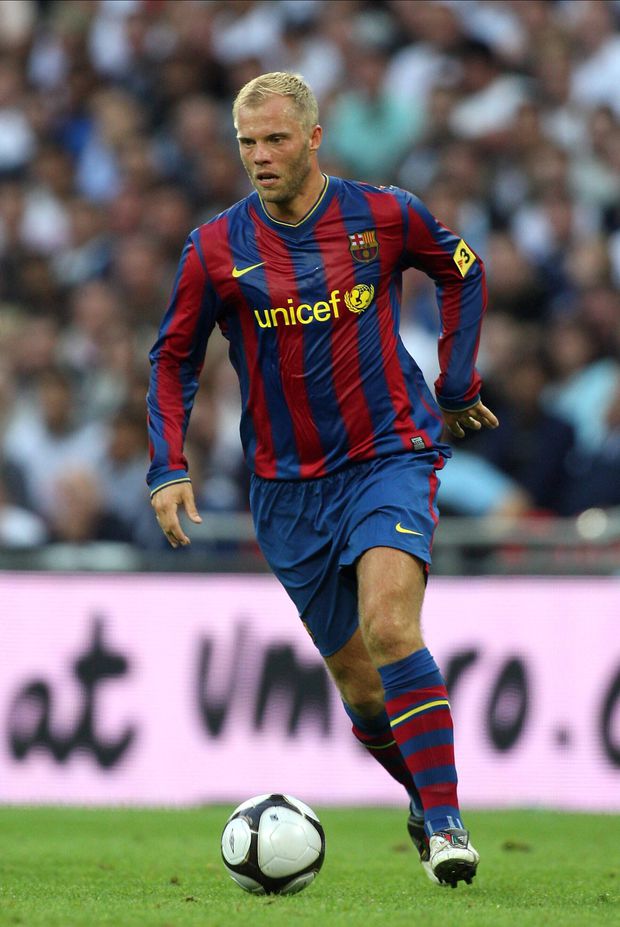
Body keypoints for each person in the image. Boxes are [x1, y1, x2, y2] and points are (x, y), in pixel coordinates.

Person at [146, 72, 498, 888]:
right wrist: (167, 464)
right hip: (286, 490)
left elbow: (463, 269)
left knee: (390, 627)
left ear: (312, 137)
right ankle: (425, 796)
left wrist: (457, 383)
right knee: (363, 689)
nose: (260, 156)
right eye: (247, 143)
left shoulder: (384, 214)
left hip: (388, 455)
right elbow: (172, 357)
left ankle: (448, 825)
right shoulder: (214, 248)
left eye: (275, 139)